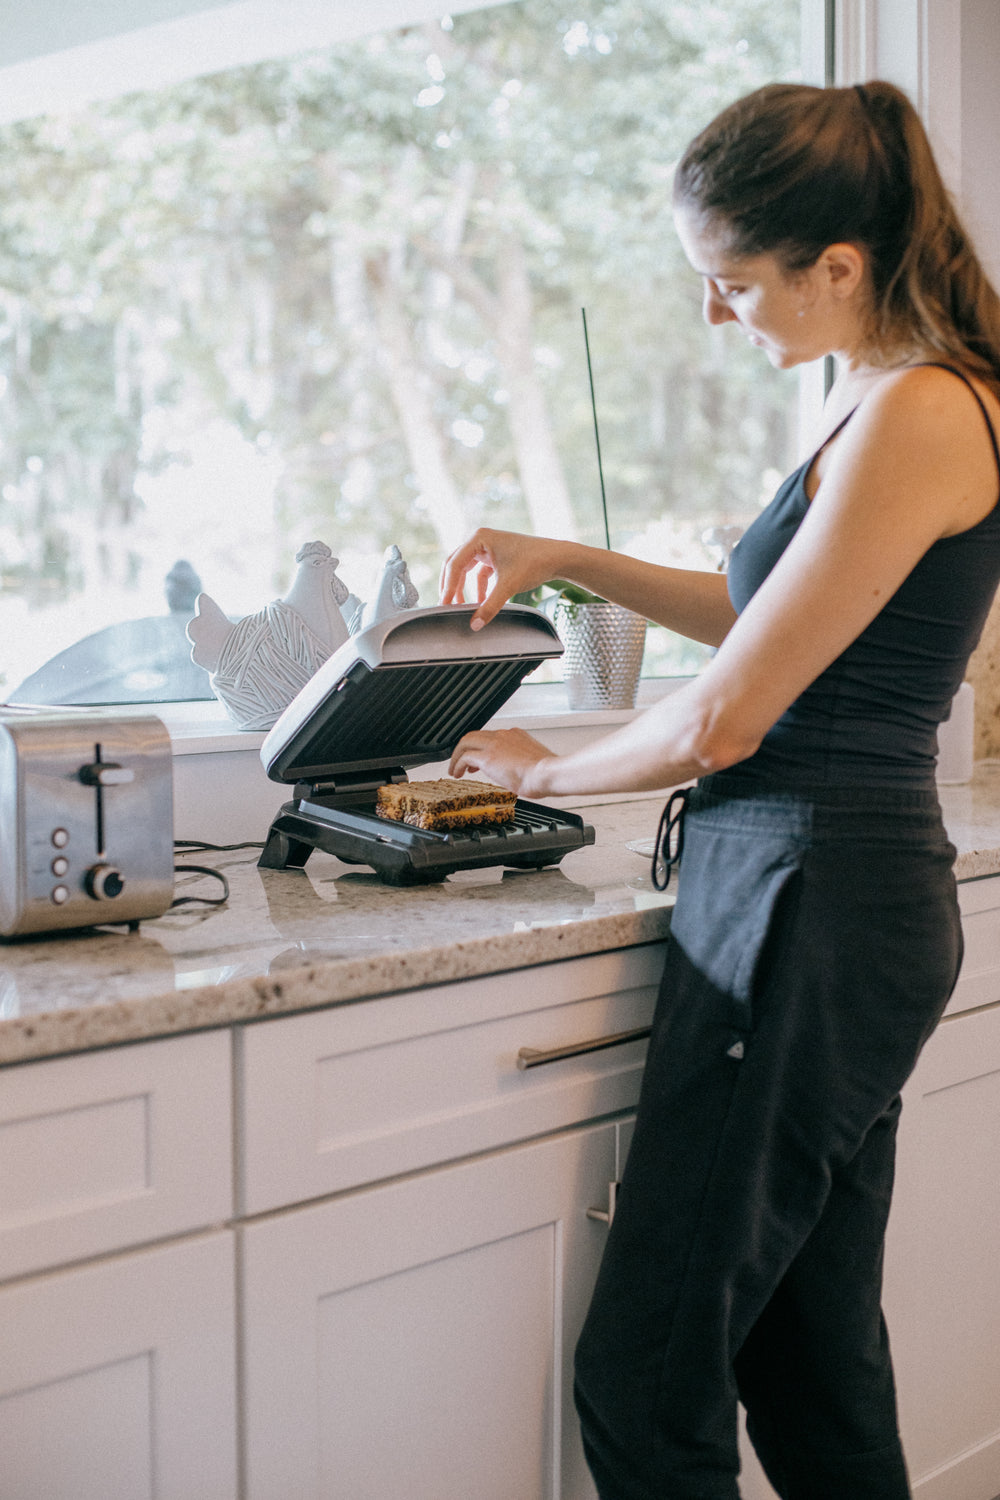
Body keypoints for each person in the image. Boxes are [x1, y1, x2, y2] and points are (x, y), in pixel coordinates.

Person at [438, 79, 1000, 1500]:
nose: (716, 315)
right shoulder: (882, 398)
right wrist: (571, 555)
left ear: (838, 267)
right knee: (811, 1366)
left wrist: (545, 767)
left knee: (645, 1379)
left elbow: (731, 715)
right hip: (825, 895)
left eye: (730, 284)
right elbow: (766, 618)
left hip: (813, 897)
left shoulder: (925, 410)